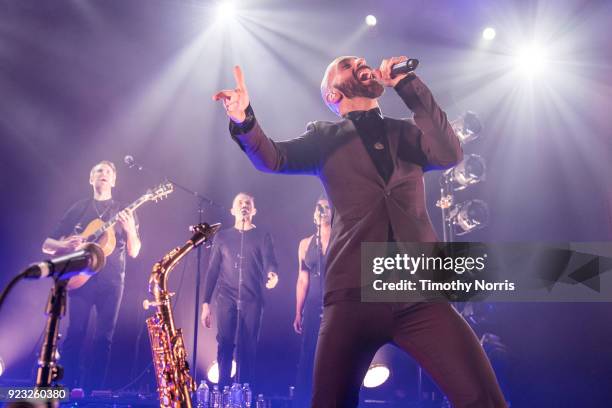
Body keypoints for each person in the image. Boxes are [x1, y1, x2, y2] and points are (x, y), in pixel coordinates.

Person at [212, 56, 507, 407]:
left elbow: (449, 153)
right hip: (353, 295)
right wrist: (243, 119)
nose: (360, 62)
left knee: (483, 398)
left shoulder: (405, 133)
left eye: (360, 60)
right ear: (332, 95)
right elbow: (273, 158)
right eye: (347, 64)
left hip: (419, 295)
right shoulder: (325, 138)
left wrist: (409, 87)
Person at [42, 160, 141, 390]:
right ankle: (63, 391)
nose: (103, 174)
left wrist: (129, 231)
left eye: (108, 172)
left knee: (104, 338)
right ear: (91, 178)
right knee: (75, 334)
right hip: (80, 279)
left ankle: (92, 393)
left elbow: (134, 251)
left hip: (113, 281)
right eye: (99, 171)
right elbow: (47, 244)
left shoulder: (124, 210)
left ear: (114, 180)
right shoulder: (79, 208)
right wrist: (67, 245)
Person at [200, 192, 279, 388]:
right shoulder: (222, 237)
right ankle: (223, 390)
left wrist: (272, 274)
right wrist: (205, 304)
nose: (244, 205)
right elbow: (212, 271)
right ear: (232, 210)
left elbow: (270, 260)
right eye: (240, 203)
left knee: (248, 348)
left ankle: (244, 391)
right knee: (225, 345)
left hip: (252, 298)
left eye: (248, 203)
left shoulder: (262, 235)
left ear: (254, 210)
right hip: (226, 297)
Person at [293, 196, 331, 408]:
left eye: (327, 207)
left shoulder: (341, 237)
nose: (323, 210)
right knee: (309, 353)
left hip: (336, 301)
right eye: (319, 207)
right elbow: (302, 278)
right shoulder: (305, 244)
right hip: (313, 302)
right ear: (313, 214)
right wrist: (298, 311)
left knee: (334, 352)